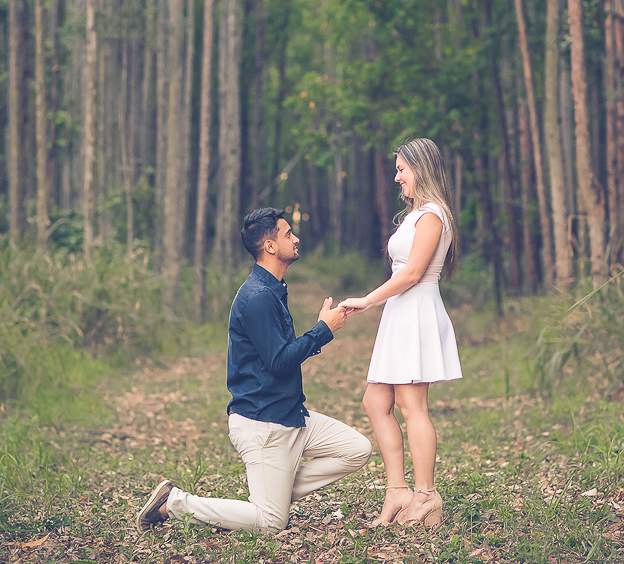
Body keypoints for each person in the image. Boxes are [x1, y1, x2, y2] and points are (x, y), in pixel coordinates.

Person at [137, 207, 372, 534]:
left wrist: (322, 329)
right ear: (270, 246)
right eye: (288, 234)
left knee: (357, 449)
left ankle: (274, 492)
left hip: (291, 416)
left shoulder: (273, 288)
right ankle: (174, 502)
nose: (296, 238)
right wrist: (323, 330)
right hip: (264, 424)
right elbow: (279, 362)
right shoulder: (258, 296)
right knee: (270, 524)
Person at [339, 138, 461, 528]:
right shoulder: (415, 214)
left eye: (402, 170)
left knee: (412, 406)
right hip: (400, 312)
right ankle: (397, 491)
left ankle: (426, 495)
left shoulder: (433, 214)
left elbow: (411, 274)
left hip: (416, 310)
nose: (397, 178)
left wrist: (367, 300)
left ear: (420, 169)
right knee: (376, 401)